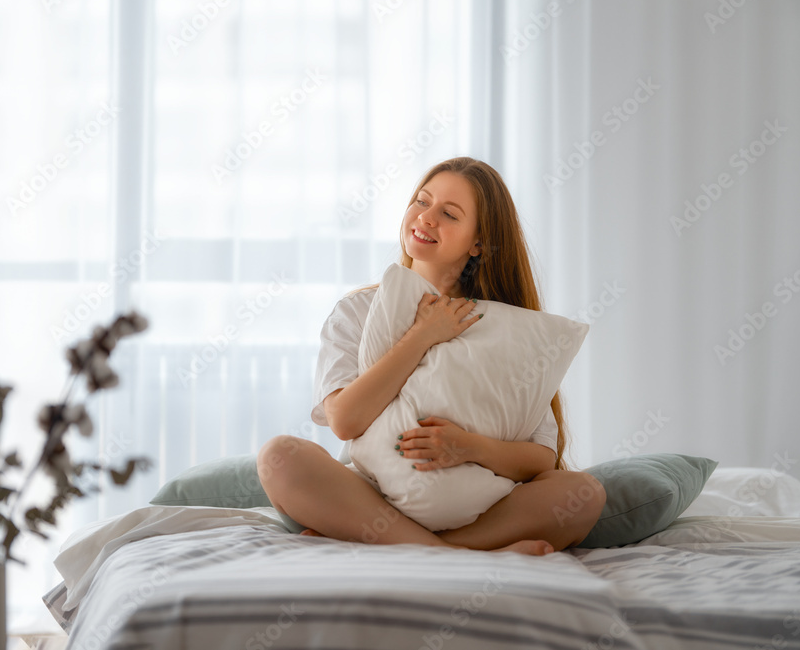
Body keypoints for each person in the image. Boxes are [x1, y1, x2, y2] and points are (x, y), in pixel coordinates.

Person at [257, 156, 606, 556]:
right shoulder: (356, 311)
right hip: (373, 494)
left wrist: (469, 448)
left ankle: (406, 546)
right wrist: (421, 336)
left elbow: (541, 459)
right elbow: (344, 420)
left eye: (449, 214)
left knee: (583, 493)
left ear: (479, 242)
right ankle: (461, 553)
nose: (426, 217)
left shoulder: (505, 327)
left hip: (480, 502)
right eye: (422, 201)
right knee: (279, 458)